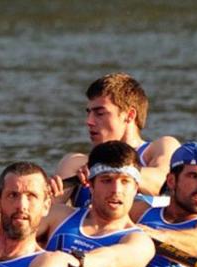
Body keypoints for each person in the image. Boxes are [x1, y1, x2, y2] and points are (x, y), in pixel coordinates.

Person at [41, 141, 155, 267]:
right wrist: (37, 199)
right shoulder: (59, 215)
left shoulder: (139, 243)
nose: (116, 190)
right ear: (91, 186)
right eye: (107, 180)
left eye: (125, 182)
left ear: (135, 188)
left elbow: (107, 260)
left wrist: (62, 260)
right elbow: (6, 230)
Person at [54, 73, 180, 208]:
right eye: (88, 113)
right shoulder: (75, 163)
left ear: (130, 115)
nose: (89, 121)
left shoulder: (160, 147)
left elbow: (165, 184)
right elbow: (44, 214)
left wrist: (103, 168)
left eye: (100, 113)